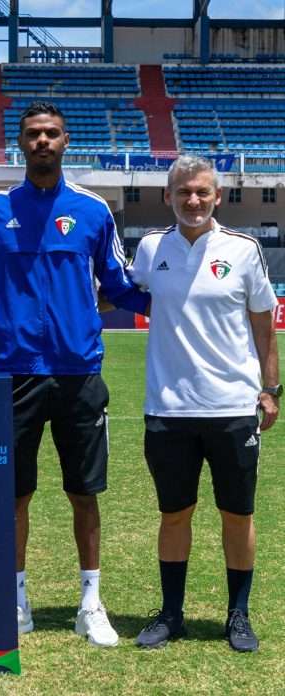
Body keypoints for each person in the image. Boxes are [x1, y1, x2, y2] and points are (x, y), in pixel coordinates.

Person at [0, 101, 150, 647]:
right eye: (33, 134)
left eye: (51, 133)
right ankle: (16, 599)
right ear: (20, 143)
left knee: (84, 493)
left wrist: (174, 304)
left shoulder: (93, 210)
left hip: (78, 371)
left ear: (66, 141)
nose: (42, 141)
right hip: (13, 372)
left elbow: (117, 285)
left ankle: (90, 603)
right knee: (12, 495)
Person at [130, 155, 279, 652]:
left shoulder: (243, 249)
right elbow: (120, 293)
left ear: (217, 196)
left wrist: (271, 389)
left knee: (237, 515)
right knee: (175, 514)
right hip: (168, 409)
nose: (192, 200)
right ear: (167, 197)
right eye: (183, 192)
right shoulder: (151, 248)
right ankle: (172, 614)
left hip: (232, 407)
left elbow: (264, 323)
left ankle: (238, 614)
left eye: (201, 192)